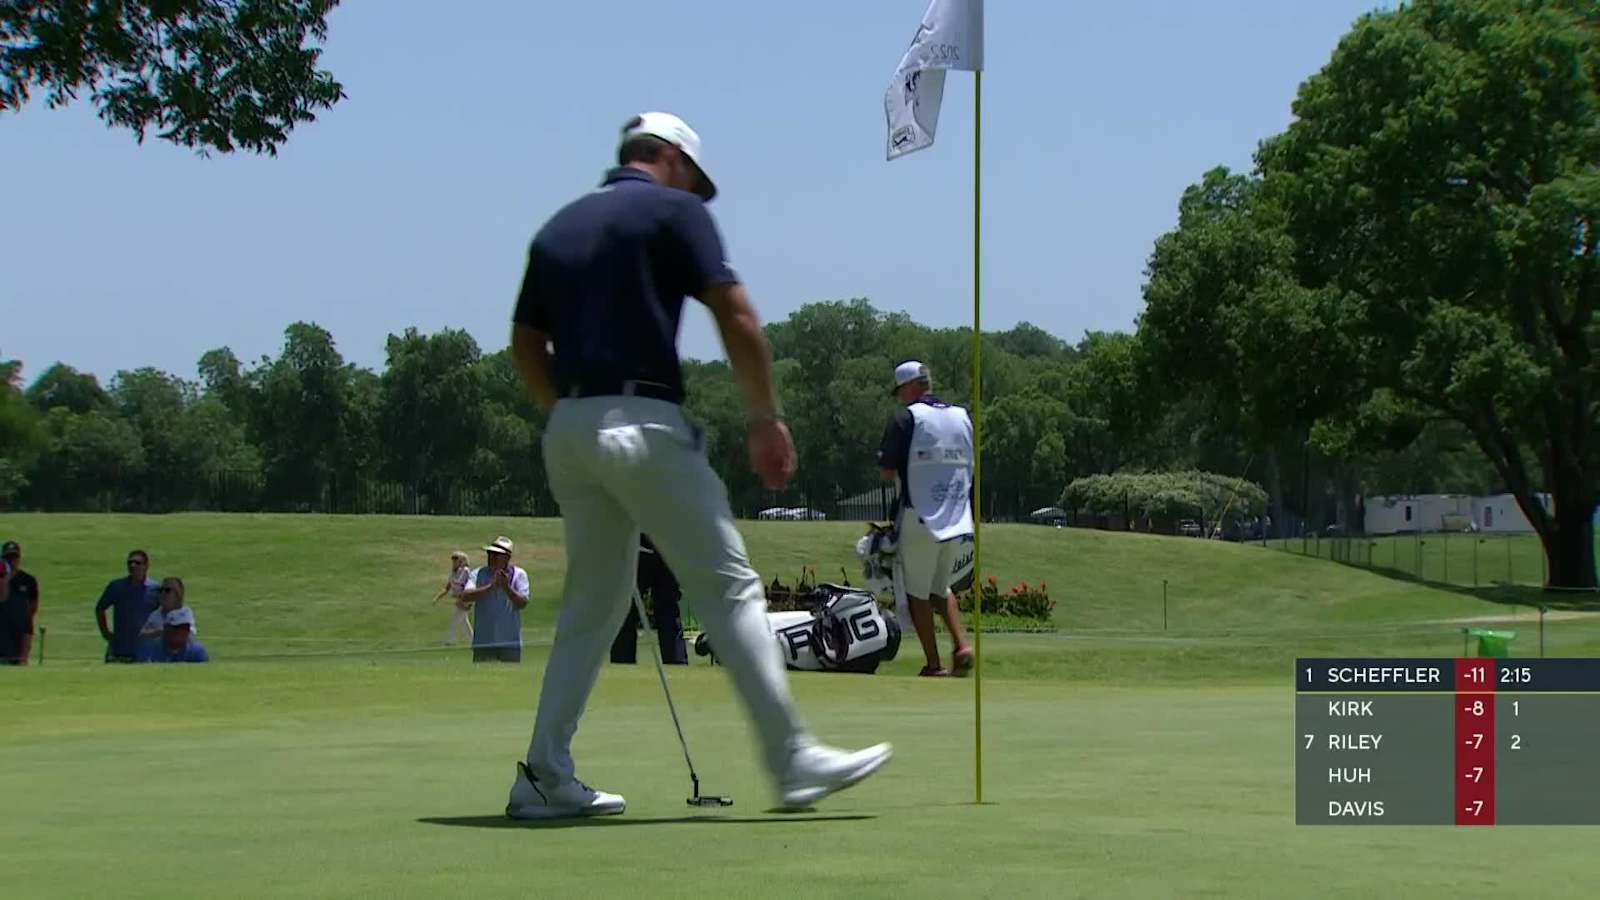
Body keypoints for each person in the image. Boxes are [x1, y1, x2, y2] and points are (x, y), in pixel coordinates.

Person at [503, 111, 891, 819]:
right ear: (674, 158)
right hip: (645, 423)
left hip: (570, 429)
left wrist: (567, 413)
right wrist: (765, 418)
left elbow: (525, 344)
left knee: (595, 605)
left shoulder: (558, 227)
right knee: (731, 587)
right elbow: (737, 318)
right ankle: (792, 759)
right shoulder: (675, 211)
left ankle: (542, 775)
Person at [877, 361, 976, 678]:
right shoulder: (961, 416)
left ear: (909, 387)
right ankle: (962, 646)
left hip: (918, 515)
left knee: (918, 592)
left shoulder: (906, 417)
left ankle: (934, 664)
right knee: (940, 587)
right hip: (957, 517)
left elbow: (887, 471)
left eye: (901, 391)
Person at [610, 534, 686, 665]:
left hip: (644, 544)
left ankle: (622, 663)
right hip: (665, 542)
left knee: (627, 611)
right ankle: (676, 663)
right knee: (668, 613)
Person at [459, 536, 528, 663]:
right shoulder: (478, 573)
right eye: (489, 554)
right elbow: (465, 596)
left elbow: (523, 603)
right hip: (484, 643)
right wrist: (490, 587)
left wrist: (506, 588)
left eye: (496, 555)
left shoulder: (519, 575)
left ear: (507, 558)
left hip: (510, 643)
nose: (491, 558)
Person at [95, 549, 159, 663]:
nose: (132, 565)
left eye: (137, 563)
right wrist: (105, 633)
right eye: (130, 563)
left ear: (146, 566)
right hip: (119, 648)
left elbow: (165, 613)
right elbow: (100, 608)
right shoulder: (116, 587)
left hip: (145, 650)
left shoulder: (155, 589)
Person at [0, 541, 38, 665]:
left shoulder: (28, 580)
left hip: (20, 631)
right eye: (8, 558)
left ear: (19, 558)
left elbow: (33, 607)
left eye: (14, 557)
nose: (11, 561)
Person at [134, 605, 208, 663]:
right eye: (177, 627)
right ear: (166, 628)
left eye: (185, 627)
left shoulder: (197, 652)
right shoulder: (148, 650)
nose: (182, 631)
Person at [432, 551, 474, 646]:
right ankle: (473, 642)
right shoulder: (453, 573)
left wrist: (464, 601)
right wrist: (437, 598)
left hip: (465, 600)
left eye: (456, 560)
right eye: (453, 560)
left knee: (454, 621)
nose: (454, 562)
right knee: (464, 624)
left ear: (461, 561)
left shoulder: (465, 571)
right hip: (459, 600)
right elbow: (447, 588)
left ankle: (450, 641)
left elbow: (467, 586)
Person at [139, 577, 196, 642]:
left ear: (178, 594)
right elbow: (142, 634)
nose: (163, 593)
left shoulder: (184, 613)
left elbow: (188, 636)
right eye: (160, 590)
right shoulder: (156, 613)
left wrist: (159, 631)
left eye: (167, 590)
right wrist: (161, 631)